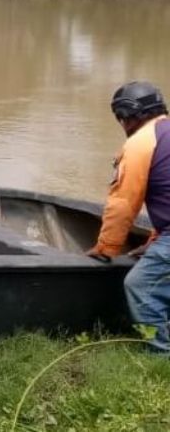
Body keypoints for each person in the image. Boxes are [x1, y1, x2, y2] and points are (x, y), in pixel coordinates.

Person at [86, 81, 170, 355]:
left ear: (128, 115)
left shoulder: (139, 143)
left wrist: (107, 248)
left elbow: (123, 203)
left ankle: (161, 356)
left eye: (120, 118)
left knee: (140, 286)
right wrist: (155, 239)